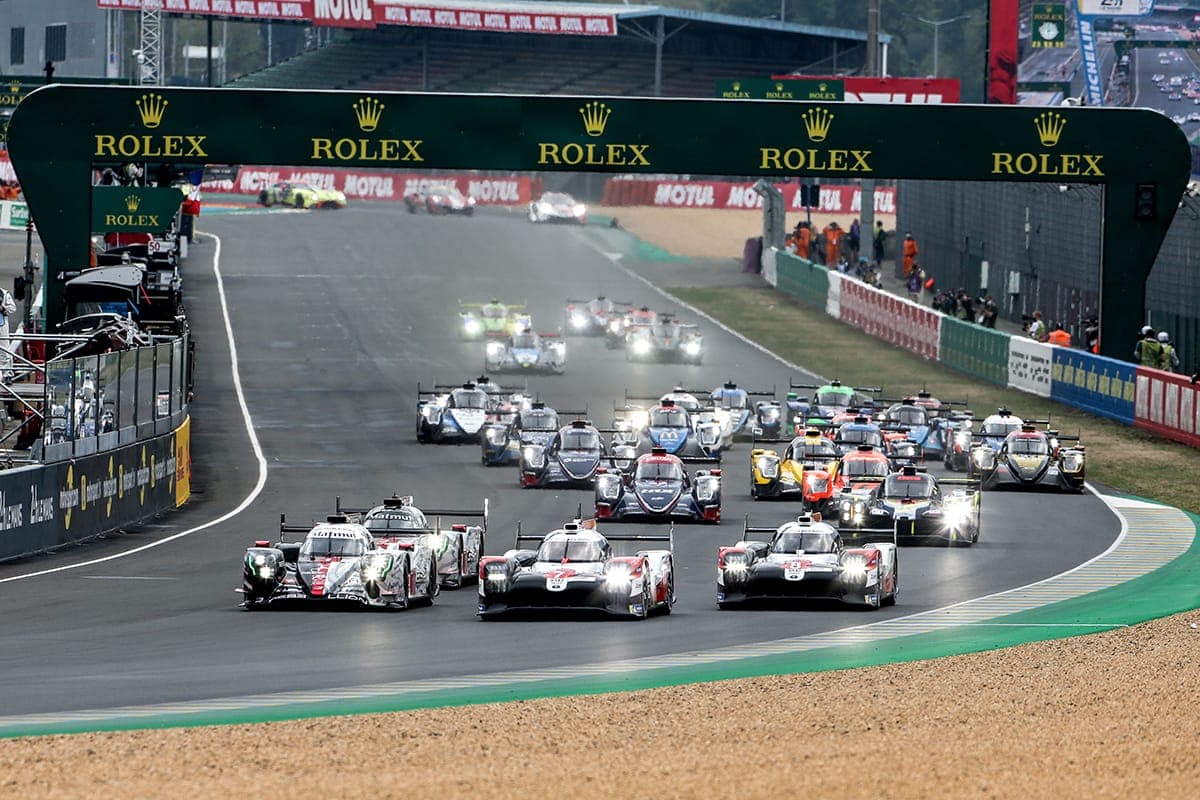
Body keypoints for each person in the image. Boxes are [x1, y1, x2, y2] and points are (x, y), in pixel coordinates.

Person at [0, 287, 16, 381]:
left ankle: (7, 375)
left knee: (5, 351)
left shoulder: (4, 293)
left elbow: (12, 308)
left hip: (1, 324)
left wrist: (3, 308)